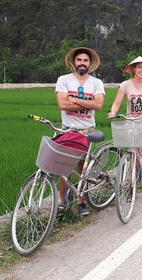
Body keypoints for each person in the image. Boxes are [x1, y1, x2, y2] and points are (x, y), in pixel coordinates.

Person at [55, 47, 105, 215]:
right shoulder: (64, 80)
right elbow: (62, 104)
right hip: (67, 130)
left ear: (90, 64)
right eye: (79, 60)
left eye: (85, 60)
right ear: (73, 62)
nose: (82, 63)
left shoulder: (96, 83)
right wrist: (87, 102)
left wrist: (73, 99)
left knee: (82, 167)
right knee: (64, 168)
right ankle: (64, 202)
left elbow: (98, 105)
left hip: (87, 130)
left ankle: (81, 202)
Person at [108, 56, 142, 174]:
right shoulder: (125, 85)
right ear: (133, 69)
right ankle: (131, 183)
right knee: (134, 153)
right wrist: (113, 112)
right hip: (131, 121)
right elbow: (116, 103)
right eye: (139, 67)